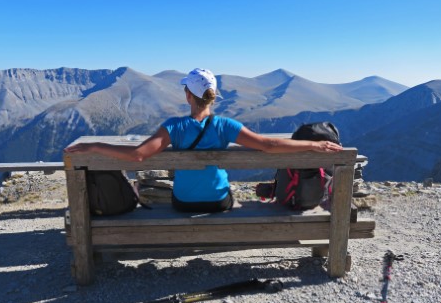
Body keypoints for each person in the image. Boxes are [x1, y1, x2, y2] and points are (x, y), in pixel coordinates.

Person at [64, 68, 343, 213]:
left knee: (176, 193)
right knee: (226, 192)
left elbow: (138, 155)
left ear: (188, 95)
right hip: (218, 201)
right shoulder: (225, 126)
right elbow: (268, 145)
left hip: (183, 201)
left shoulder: (174, 127)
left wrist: (92, 146)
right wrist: (315, 145)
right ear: (213, 96)